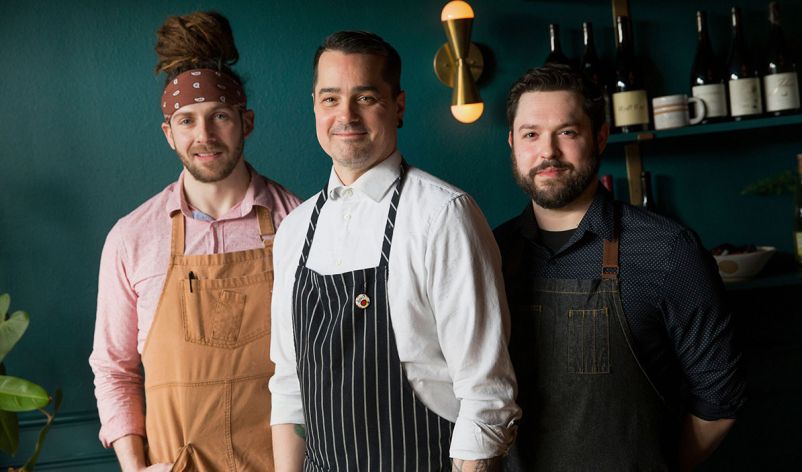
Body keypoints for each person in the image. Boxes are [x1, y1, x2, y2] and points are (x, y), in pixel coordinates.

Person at [269, 31, 520, 472]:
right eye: (330, 98)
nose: (345, 115)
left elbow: (486, 395)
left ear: (398, 106)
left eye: (365, 97)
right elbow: (290, 389)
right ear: (314, 105)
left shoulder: (443, 215)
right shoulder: (293, 231)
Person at [495, 64, 746, 471]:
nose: (548, 152)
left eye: (568, 132)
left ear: (600, 136)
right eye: (531, 134)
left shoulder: (667, 250)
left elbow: (721, 396)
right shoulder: (490, 253)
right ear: (512, 143)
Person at [89, 11, 299, 471]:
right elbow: (113, 368)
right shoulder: (132, 237)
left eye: (219, 116)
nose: (203, 136)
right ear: (169, 134)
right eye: (186, 121)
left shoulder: (297, 223)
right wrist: (135, 467)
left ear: (247, 122)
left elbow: (323, 361)